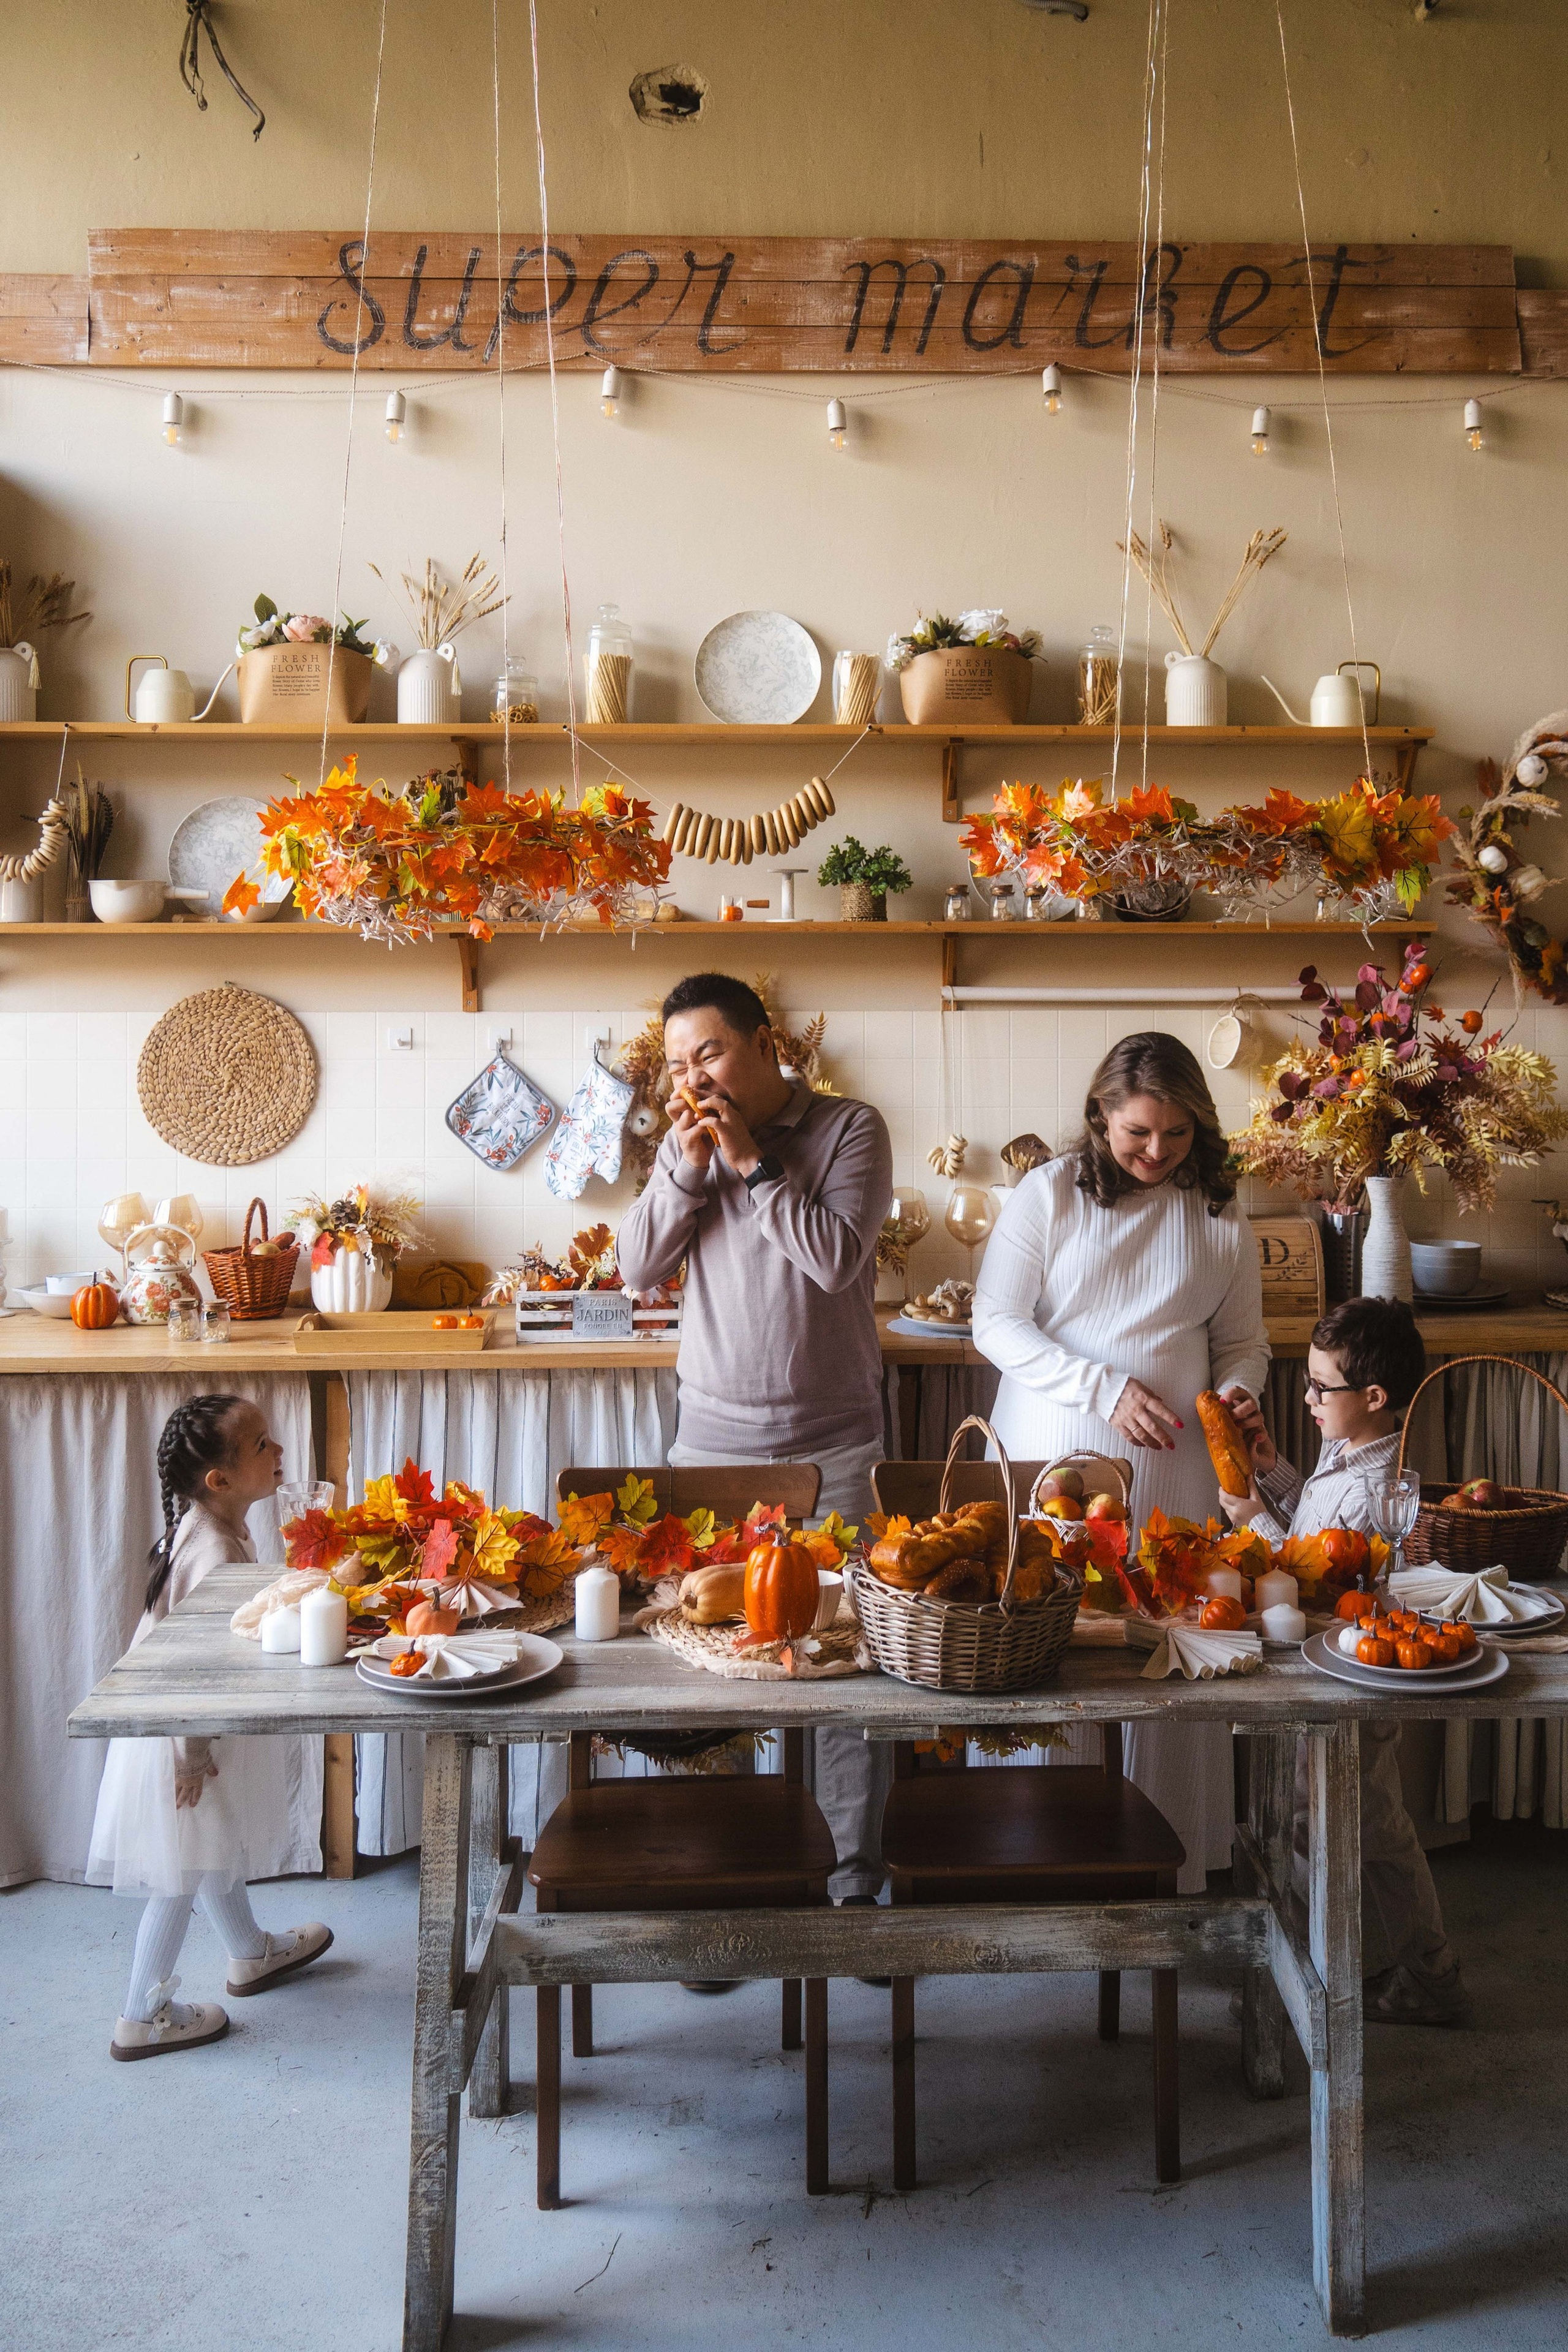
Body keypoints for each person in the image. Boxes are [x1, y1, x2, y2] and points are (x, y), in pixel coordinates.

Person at [616, 973, 894, 1907]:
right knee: (712, 1673)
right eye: (679, 1062)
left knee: (843, 1675)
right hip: (714, 1448)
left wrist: (749, 1163)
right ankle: (721, 1873)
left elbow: (834, 1258)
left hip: (837, 1448)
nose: (696, 1076)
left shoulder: (850, 1128)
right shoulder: (684, 1147)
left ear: (765, 1041)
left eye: (711, 1052)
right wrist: (690, 1169)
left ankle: (853, 1884)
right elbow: (636, 1269)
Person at [972, 1031, 1270, 1892]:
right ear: (1102, 1113)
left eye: (1175, 1136)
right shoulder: (1050, 1193)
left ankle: (1172, 1862)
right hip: (1059, 1456)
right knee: (1047, 1653)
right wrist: (1101, 1389)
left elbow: (1244, 1342)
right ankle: (1036, 1861)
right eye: (1139, 1133)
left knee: (1169, 1654)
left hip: (1178, 1471)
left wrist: (1243, 1391)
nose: (1156, 1153)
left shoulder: (1217, 1204)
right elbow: (996, 1322)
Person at [1223, 1298, 1471, 2026]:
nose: (1305, 1399)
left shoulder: (1374, 1490)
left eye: (1318, 1387)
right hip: (1327, 1666)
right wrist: (1272, 1474)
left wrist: (1249, 1521)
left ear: (1372, 1398)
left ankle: (1424, 1973)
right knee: (1329, 1822)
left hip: (1349, 1673)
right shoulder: (1349, 1455)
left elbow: (1311, 1572)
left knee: (1371, 1829)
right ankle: (1328, 1959)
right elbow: (1313, 1516)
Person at [88, 1395, 333, 2060]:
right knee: (183, 1869)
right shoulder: (215, 1554)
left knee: (210, 1843)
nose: (279, 1451)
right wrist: (191, 1754)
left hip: (190, 1728)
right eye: (262, 1446)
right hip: (183, 1736)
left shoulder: (205, 1526)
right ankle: (141, 2013)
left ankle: (249, 1952)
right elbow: (191, 1669)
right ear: (219, 1481)